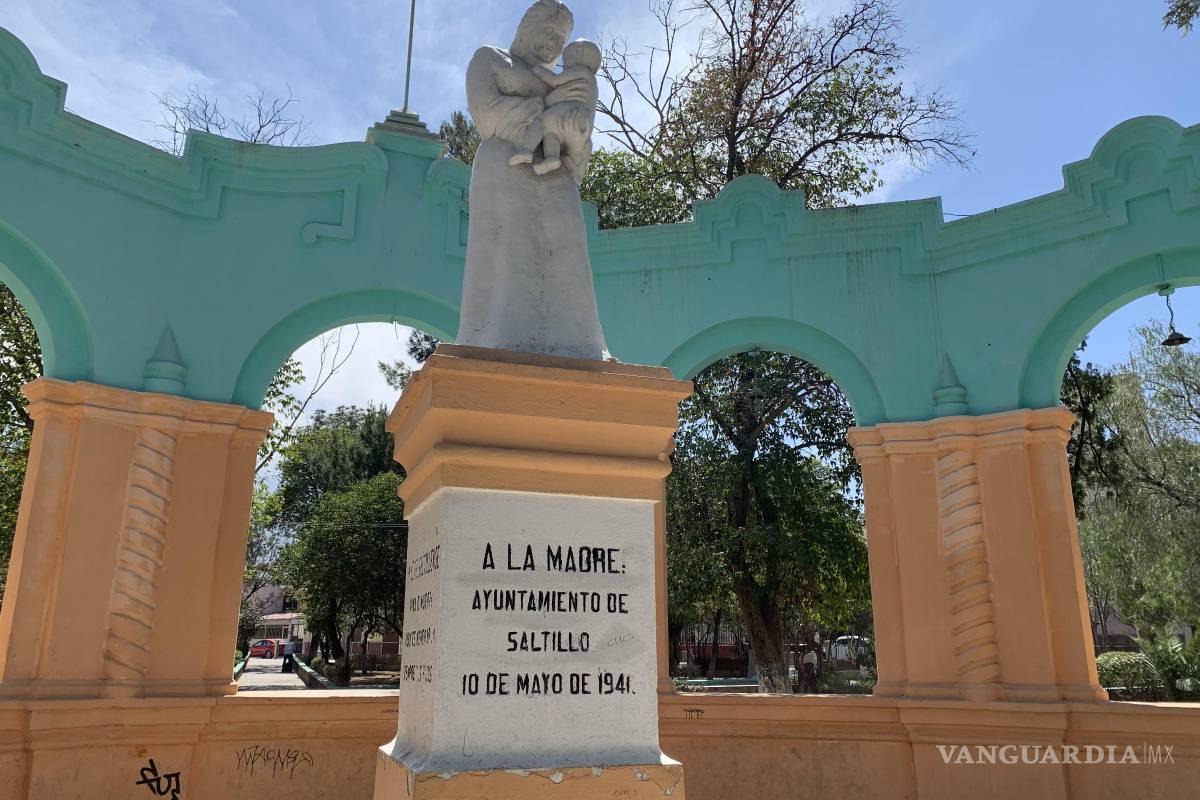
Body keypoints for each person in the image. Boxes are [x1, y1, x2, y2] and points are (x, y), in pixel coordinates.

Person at [508, 39, 602, 176]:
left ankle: (526, 150)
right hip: (583, 122)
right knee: (551, 133)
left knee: (541, 123)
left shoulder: (581, 71)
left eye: (567, 54)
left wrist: (539, 71)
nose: (563, 62)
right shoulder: (593, 86)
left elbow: (555, 81)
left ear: (579, 52)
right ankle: (552, 158)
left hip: (569, 110)